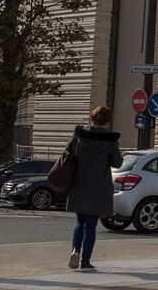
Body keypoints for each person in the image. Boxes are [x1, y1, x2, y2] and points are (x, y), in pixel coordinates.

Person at [66, 105, 122, 272]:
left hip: (78, 184)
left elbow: (68, 152)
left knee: (79, 221)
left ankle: (75, 250)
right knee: (90, 226)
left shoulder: (80, 135)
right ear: (107, 121)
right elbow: (117, 163)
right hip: (98, 187)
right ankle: (86, 261)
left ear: (92, 118)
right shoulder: (110, 140)